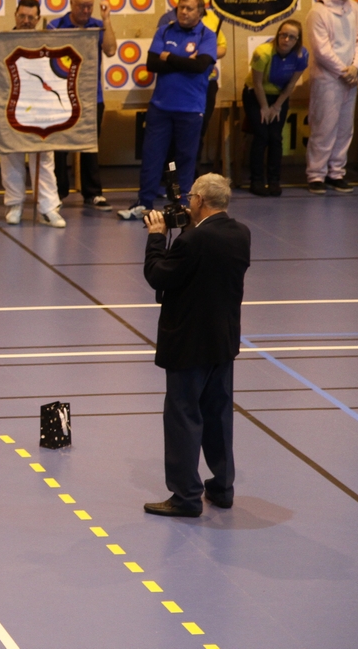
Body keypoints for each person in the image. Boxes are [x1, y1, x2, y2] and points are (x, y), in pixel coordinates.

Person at [141, 173, 250, 517]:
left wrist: (157, 238)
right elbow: (200, 268)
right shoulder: (240, 234)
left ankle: (186, 496)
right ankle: (222, 489)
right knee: (218, 416)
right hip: (223, 341)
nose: (187, 204)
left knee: (183, 417)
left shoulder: (193, 243)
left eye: (191, 199)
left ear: (201, 200)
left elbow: (158, 275)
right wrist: (190, 228)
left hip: (189, 345)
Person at [118, 0, 218, 220]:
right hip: (160, 108)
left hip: (191, 109)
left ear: (200, 11)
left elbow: (200, 66)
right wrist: (184, 60)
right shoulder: (164, 31)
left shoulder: (206, 35)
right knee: (152, 156)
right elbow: (152, 63)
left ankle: (183, 205)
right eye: (181, 7)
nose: (184, 12)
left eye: (190, 8)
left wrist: (168, 57)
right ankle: (143, 203)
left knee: (185, 159)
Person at [46, 0, 118, 210]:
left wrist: (106, 20)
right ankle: (58, 192)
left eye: (90, 6)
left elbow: (111, 50)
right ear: (72, 4)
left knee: (90, 147)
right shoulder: (55, 26)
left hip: (90, 97)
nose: (86, 11)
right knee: (59, 146)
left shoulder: (97, 26)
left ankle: (93, 193)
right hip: (60, 96)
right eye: (82, 6)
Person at [305, 0, 358, 194]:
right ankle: (316, 174)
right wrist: (344, 71)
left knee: (344, 127)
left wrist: (355, 66)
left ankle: (336, 172)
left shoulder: (353, 9)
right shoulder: (318, 12)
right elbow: (321, 50)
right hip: (328, 80)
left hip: (349, 79)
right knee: (324, 126)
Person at [0, 0, 62, 227]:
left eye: (30, 18)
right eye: (22, 16)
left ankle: (48, 208)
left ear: (37, 19)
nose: (26, 21)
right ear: (15, 15)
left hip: (40, 108)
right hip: (11, 107)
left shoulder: (46, 43)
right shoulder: (3, 42)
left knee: (44, 158)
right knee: (11, 156)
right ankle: (14, 204)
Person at [157, 0, 229, 151]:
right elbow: (161, 53)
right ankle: (171, 174)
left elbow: (222, 48)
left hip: (204, 82)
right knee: (174, 134)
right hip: (176, 82)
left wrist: (204, 53)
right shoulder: (168, 20)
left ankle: (192, 173)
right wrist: (184, 60)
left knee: (198, 130)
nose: (187, 8)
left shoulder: (212, 19)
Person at [244, 20, 308, 196]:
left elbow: (292, 84)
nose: (286, 39)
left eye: (291, 37)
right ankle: (256, 180)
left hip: (279, 96)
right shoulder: (263, 53)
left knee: (275, 137)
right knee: (261, 135)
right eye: (283, 35)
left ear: (297, 40)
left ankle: (274, 180)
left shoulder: (301, 55)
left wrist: (277, 106)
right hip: (256, 95)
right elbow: (256, 83)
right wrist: (265, 107)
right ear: (278, 34)